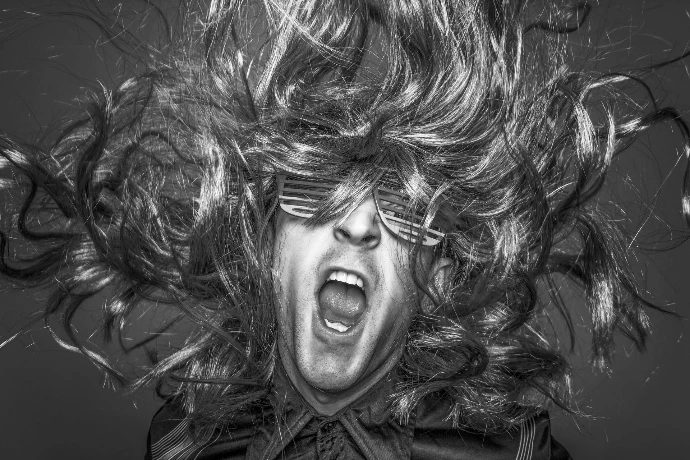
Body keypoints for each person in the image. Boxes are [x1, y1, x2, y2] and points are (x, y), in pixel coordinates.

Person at [0, 0, 688, 459]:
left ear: (439, 273)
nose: (358, 225)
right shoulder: (181, 443)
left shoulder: (515, 455)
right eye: (314, 192)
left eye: (404, 209)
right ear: (263, 243)